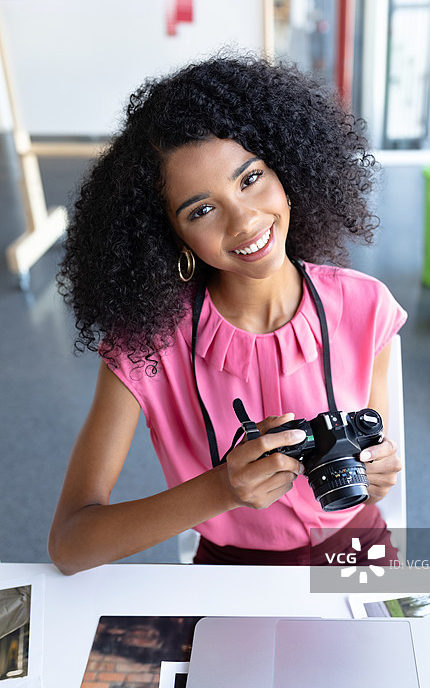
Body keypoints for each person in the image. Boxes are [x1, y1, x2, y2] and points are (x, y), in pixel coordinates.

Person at [48, 53, 407, 575]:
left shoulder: (366, 306)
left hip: (360, 556)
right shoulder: (145, 347)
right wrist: (220, 489)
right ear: (167, 234)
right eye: (201, 209)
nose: (244, 220)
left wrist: (379, 472)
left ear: (288, 167)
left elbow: (373, 477)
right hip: (231, 571)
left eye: (251, 178)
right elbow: (70, 545)